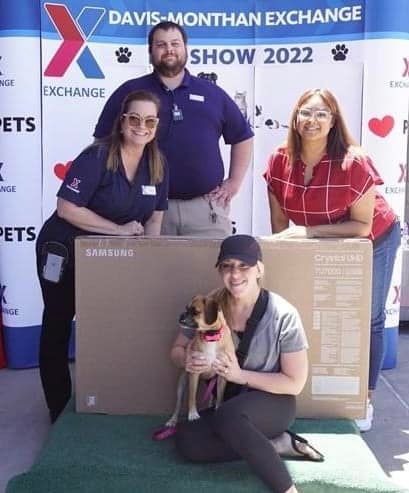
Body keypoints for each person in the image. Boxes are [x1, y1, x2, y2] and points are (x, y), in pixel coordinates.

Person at [263, 88, 400, 432]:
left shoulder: (354, 162)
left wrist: (308, 233)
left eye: (321, 114)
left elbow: (362, 226)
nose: (312, 120)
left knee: (368, 316)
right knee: (307, 309)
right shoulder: (278, 160)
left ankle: (363, 399)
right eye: (305, 112)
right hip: (321, 240)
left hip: (373, 237)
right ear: (295, 118)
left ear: (333, 121)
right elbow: (280, 225)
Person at [36, 90, 168, 423]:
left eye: (149, 121)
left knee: (109, 323)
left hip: (106, 258)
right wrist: (118, 230)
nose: (141, 126)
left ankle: (104, 395)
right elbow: (67, 208)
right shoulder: (97, 157)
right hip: (64, 250)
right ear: (122, 121)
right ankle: (58, 407)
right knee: (58, 322)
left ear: (157, 126)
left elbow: (155, 218)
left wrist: (150, 258)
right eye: (134, 118)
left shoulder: (158, 164)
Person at [170, 235, 323, 493]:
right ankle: (275, 444)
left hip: (273, 401)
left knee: (228, 417)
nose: (235, 274)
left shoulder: (283, 314)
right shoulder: (209, 304)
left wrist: (240, 375)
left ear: (259, 269)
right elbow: (176, 350)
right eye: (227, 266)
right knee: (188, 439)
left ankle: (287, 489)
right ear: (220, 271)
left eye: (244, 266)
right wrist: (188, 360)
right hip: (229, 402)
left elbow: (295, 383)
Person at [94, 21, 253, 237]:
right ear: (150, 51)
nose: (169, 49)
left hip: (205, 211)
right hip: (144, 209)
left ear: (185, 48)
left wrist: (234, 182)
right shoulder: (130, 92)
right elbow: (102, 143)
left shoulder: (212, 93)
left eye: (175, 44)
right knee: (149, 262)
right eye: (161, 45)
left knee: (213, 261)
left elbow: (242, 136)